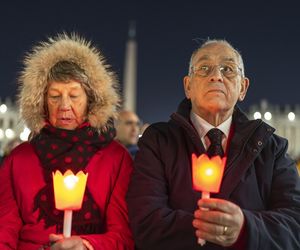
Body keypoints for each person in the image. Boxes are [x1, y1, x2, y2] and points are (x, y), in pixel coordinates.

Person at [126, 39, 300, 249]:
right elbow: (145, 221)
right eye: (204, 68)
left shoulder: (272, 149)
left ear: (243, 88)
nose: (216, 76)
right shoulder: (158, 141)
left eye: (227, 69)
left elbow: (294, 223)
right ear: (188, 86)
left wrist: (245, 228)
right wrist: (220, 231)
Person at [0, 33, 134, 250]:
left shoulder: (116, 158)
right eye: (54, 96)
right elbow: (4, 228)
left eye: (74, 96)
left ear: (91, 100)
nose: (64, 105)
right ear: (42, 102)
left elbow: (123, 235)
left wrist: (87, 245)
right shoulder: (19, 158)